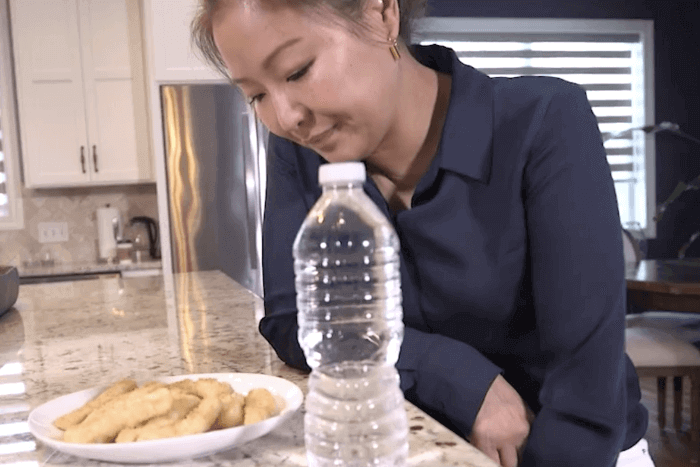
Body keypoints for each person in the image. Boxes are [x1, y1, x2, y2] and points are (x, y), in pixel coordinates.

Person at [191, 1, 653, 466]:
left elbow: (587, 395)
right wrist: (452, 375)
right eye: (256, 96)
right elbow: (293, 319)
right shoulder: (298, 153)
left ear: (381, 15)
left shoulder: (544, 120)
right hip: (416, 444)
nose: (286, 117)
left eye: (296, 72)